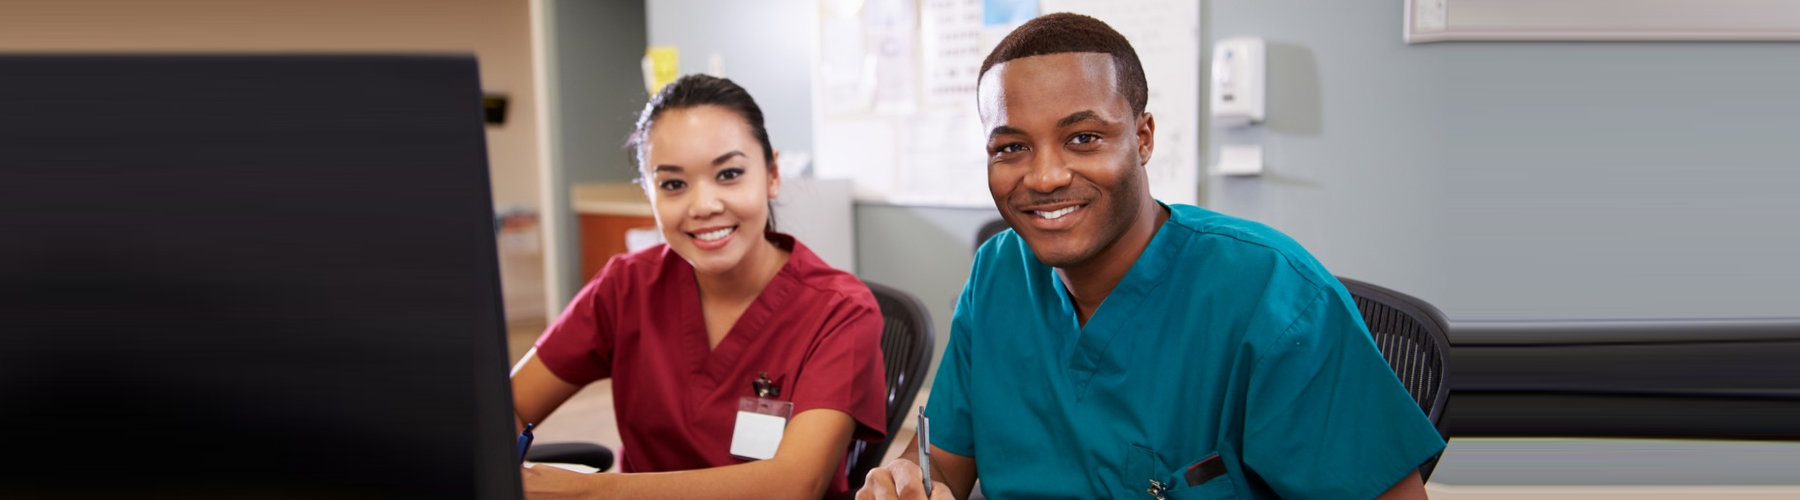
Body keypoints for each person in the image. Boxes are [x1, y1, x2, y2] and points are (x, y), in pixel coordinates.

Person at [858, 13, 1444, 500]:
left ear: (1142, 138)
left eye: (1083, 138)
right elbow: (943, 463)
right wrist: (908, 477)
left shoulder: (1274, 297)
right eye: (1011, 147)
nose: (1045, 176)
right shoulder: (997, 276)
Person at [513, 74, 887, 500]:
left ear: (772, 175)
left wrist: (586, 491)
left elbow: (795, 483)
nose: (704, 206)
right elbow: (507, 404)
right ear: (649, 195)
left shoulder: (840, 311)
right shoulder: (625, 288)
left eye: (729, 174)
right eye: (673, 184)